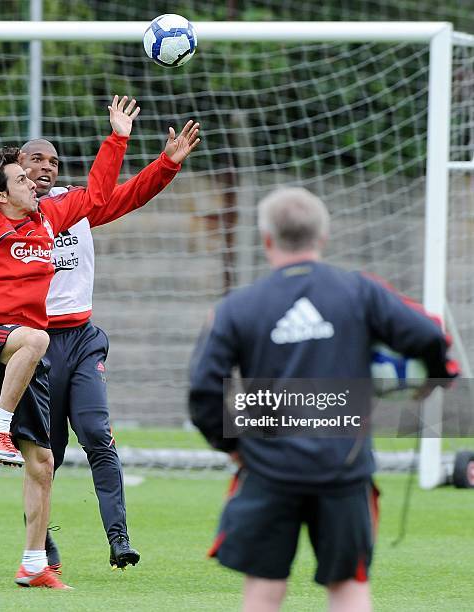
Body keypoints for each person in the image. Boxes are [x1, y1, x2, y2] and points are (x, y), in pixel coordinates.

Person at [188, 186, 457, 611]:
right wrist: (436, 378)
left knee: (263, 589)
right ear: (323, 237)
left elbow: (204, 390)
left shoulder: (238, 307)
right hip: (343, 468)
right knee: (348, 587)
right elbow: (428, 334)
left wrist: (236, 446)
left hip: (268, 468)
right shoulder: (360, 291)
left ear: (267, 240)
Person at [0, 67, 139, 589]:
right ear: (2, 196)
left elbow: (97, 195)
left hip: (27, 358)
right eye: (24, 179)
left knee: (44, 461)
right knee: (38, 335)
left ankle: (34, 565)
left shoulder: (49, 219)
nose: (36, 182)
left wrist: (116, 138)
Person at [17, 119, 200, 571]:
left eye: (53, 161)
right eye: (36, 158)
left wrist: (166, 164)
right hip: (34, 347)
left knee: (97, 434)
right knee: (47, 454)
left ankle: (119, 540)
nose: (47, 167)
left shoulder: (74, 205)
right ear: (16, 167)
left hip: (81, 341)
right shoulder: (3, 216)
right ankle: (42, 549)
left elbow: (127, 195)